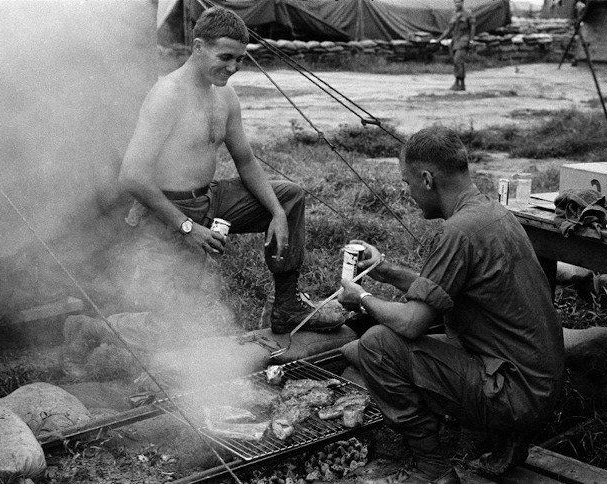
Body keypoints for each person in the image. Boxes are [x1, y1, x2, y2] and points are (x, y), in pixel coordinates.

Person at [338, 126, 564, 484]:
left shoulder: (456, 232)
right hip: (538, 382)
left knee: (377, 345)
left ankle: (433, 469)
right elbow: (445, 289)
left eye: (408, 183)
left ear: (427, 179)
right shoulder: (493, 213)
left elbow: (413, 323)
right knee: (389, 344)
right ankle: (508, 437)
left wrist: (362, 298)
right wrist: (385, 271)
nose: (409, 193)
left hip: (513, 391)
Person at [118, 6, 342, 334]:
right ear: (198, 47)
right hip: (168, 212)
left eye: (240, 59)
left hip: (210, 199)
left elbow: (247, 160)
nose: (233, 67)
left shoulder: (225, 95)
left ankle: (287, 306)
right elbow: (132, 176)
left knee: (289, 197)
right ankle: (95, 329)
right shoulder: (167, 95)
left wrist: (277, 213)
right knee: (174, 328)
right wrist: (187, 228)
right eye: (225, 57)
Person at [437, 0, 475, 91]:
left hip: (464, 39)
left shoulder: (468, 14)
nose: (457, 4)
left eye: (459, 2)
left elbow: (472, 28)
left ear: (463, 2)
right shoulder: (453, 14)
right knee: (457, 62)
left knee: (458, 60)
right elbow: (449, 29)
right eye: (456, 2)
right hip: (455, 40)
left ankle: (460, 83)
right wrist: (439, 39)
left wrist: (471, 40)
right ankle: (458, 83)